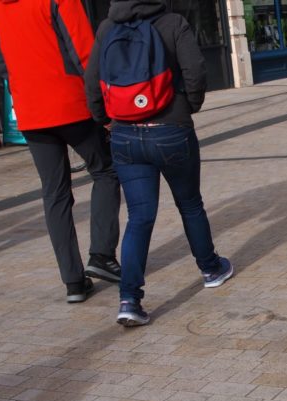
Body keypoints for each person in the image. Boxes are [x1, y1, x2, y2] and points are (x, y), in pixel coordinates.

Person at [85, 0, 234, 327]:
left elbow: (92, 81)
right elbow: (196, 71)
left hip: (124, 134)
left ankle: (130, 299)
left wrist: (105, 120)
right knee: (190, 204)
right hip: (171, 129)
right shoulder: (173, 22)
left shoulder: (107, 27)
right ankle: (210, 268)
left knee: (139, 216)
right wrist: (186, 107)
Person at [0, 0, 122, 303]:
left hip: (31, 112)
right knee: (105, 171)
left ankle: (73, 281)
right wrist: (105, 106)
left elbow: (4, 64)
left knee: (55, 192)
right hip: (71, 104)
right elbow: (85, 54)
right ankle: (101, 254)